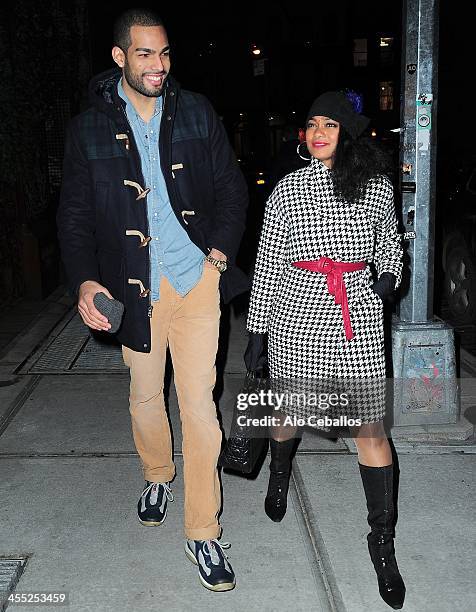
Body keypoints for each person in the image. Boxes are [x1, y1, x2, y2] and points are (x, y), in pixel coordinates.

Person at [57, 8, 249, 592]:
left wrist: (215, 262)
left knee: (200, 410)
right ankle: (158, 473)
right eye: (145, 54)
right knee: (145, 399)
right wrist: (86, 281)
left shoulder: (195, 113)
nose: (159, 65)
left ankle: (203, 533)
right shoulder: (88, 129)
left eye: (164, 53)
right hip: (133, 290)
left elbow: (232, 192)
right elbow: (75, 217)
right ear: (120, 57)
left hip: (194, 284)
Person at [245, 91, 405, 609]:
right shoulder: (286, 191)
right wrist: (257, 332)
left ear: (348, 134)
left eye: (329, 125)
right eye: (312, 124)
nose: (317, 133)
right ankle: (278, 475)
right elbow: (269, 262)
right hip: (298, 319)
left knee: (371, 431)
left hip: (357, 316)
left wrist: (387, 277)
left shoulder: (377, 189)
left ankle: (382, 545)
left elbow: (391, 244)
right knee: (291, 410)